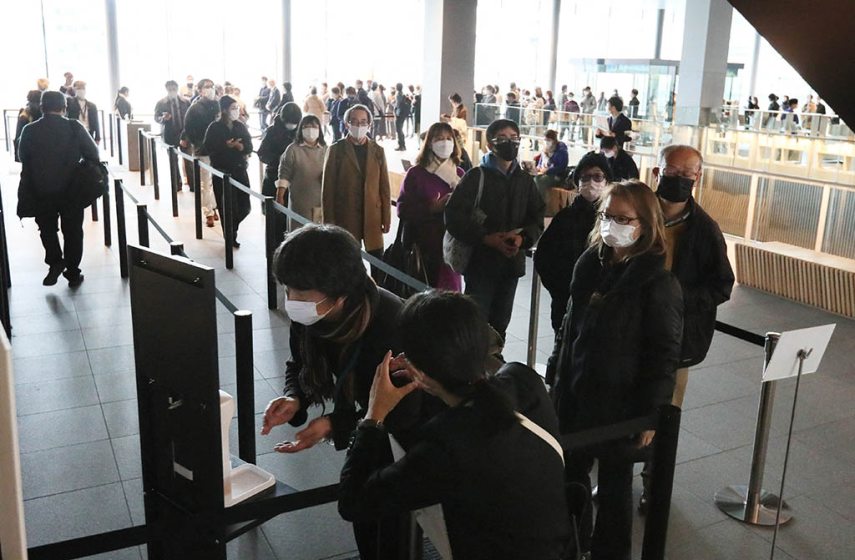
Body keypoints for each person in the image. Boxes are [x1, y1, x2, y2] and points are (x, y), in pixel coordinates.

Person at [338, 290, 571, 560]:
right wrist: (432, 377)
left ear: (422, 372)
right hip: (556, 549)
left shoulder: (445, 446)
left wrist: (373, 415)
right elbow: (481, 413)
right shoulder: (523, 379)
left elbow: (353, 502)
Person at [261, 223, 434, 560]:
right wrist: (295, 398)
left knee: (390, 528)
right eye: (287, 289)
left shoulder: (391, 325)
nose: (292, 302)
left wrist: (332, 425)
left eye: (302, 294)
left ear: (340, 295)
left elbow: (402, 412)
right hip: (372, 426)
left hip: (413, 436)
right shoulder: (315, 316)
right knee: (368, 521)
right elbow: (299, 364)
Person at [548, 180, 683, 560]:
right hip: (574, 395)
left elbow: (663, 353)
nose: (613, 225)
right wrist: (555, 371)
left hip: (618, 408)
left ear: (645, 224)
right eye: (607, 216)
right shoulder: (590, 263)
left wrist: (649, 415)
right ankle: (569, 547)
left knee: (613, 490)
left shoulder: (658, 283)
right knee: (569, 481)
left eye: (623, 218)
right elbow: (569, 326)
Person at [640, 145, 734, 511]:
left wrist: (676, 299)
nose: (677, 180)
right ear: (657, 171)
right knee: (621, 405)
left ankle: (654, 484)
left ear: (698, 178)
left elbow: (721, 285)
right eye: (671, 171)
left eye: (686, 174)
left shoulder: (705, 229)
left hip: (676, 341)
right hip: (628, 331)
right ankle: (615, 473)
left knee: (665, 412)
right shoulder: (635, 211)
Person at [445, 118, 545, 343]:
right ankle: (471, 369)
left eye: (513, 138)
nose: (509, 143)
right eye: (502, 139)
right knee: (475, 322)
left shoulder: (525, 181)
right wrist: (485, 238)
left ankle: (493, 368)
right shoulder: (476, 177)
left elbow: (537, 216)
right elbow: (453, 215)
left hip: (511, 265)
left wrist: (522, 238)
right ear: (490, 144)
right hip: (481, 263)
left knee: (500, 324)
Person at [17, 91, 100, 287]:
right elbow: (93, 153)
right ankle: (72, 271)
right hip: (71, 189)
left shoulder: (29, 130)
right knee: (72, 231)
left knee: (46, 228)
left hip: (40, 189)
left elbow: (22, 158)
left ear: (42, 107)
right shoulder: (73, 126)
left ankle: (55, 260)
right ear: (64, 107)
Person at [534, 152, 613, 333]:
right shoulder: (565, 217)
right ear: (577, 183)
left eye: (598, 176)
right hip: (566, 303)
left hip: (604, 306)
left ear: (607, 181)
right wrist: (561, 291)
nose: (591, 182)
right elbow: (544, 258)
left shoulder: (614, 219)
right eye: (584, 177)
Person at [322, 104, 391, 273]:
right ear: (346, 124)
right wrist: (329, 223)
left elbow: (384, 188)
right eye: (354, 121)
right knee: (350, 266)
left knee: (378, 265)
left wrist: (386, 218)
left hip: (372, 217)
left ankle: (376, 296)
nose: (359, 126)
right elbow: (327, 190)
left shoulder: (378, 151)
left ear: (369, 124)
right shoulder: (336, 150)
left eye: (363, 121)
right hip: (346, 216)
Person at [397, 122, 464, 291]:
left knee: (451, 297)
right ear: (429, 143)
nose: (445, 142)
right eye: (439, 138)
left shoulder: (460, 175)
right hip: (424, 246)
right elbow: (402, 208)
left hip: (452, 248)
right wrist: (431, 209)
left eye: (449, 138)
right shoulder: (416, 173)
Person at [203, 95, 253, 245]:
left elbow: (249, 146)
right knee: (226, 205)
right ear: (224, 110)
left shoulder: (240, 126)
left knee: (244, 205)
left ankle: (233, 227)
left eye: (237, 108)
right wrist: (225, 146)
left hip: (239, 170)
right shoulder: (214, 127)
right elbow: (208, 147)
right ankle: (230, 235)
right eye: (233, 108)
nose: (236, 111)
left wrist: (240, 147)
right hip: (222, 171)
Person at [277, 114, 327, 227]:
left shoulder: (326, 149)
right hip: (300, 201)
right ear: (300, 129)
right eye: (306, 126)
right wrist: (279, 196)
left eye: (314, 126)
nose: (310, 130)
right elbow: (284, 174)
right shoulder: (293, 149)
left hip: (320, 200)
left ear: (320, 129)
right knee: (299, 232)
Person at [182, 79, 220, 225]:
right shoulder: (195, 108)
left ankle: (214, 207)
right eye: (207, 87)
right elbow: (189, 129)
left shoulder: (217, 104)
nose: (210, 89)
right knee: (205, 182)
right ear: (200, 90)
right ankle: (208, 212)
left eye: (212, 86)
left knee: (215, 181)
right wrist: (198, 143)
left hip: (217, 150)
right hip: (202, 150)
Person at [258, 102, 302, 218]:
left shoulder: (300, 132)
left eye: (295, 122)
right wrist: (280, 159)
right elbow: (262, 153)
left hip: (295, 181)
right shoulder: (272, 132)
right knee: (274, 218)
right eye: (289, 122)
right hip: (274, 177)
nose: (292, 125)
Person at [154, 80, 190, 185]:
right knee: (173, 161)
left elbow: (190, 118)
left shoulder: (186, 102)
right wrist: (163, 119)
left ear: (177, 89)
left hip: (184, 134)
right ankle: (176, 185)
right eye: (170, 89)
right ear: (166, 89)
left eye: (174, 89)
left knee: (189, 161)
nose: (172, 91)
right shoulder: (161, 103)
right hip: (169, 135)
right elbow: (156, 117)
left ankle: (192, 185)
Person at [533, 129, 569, 215]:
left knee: (539, 181)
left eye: (548, 140)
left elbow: (562, 167)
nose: (546, 142)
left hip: (557, 176)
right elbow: (541, 163)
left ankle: (541, 207)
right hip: (545, 173)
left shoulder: (561, 150)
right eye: (545, 140)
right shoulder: (545, 149)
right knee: (532, 177)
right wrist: (537, 168)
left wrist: (548, 170)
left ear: (554, 140)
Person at [14, 90, 42, 162]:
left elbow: (18, 136)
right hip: (36, 150)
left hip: (26, 152)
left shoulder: (24, 113)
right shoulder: (39, 113)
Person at [393, 83, 411, 151]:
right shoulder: (402, 93)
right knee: (400, 129)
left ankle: (401, 145)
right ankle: (402, 145)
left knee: (399, 129)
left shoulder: (398, 94)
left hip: (399, 114)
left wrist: (392, 103)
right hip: (402, 114)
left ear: (397, 87)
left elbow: (397, 105)